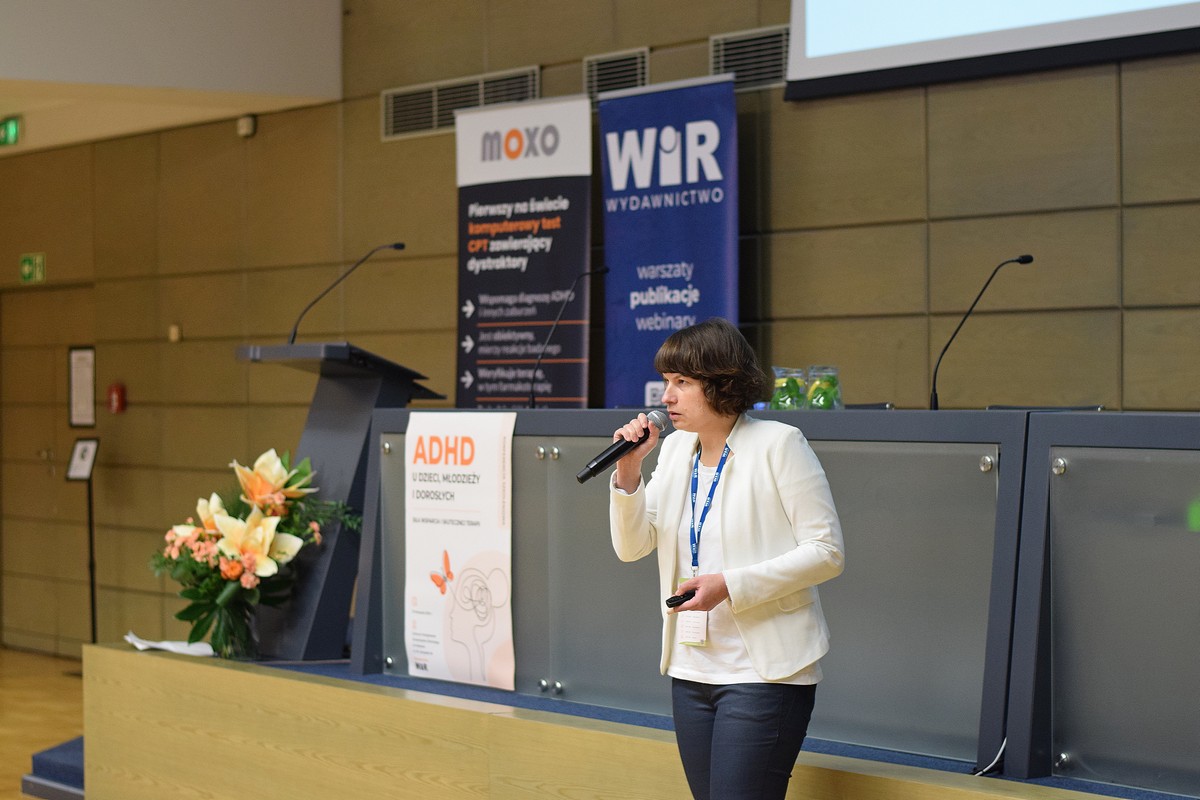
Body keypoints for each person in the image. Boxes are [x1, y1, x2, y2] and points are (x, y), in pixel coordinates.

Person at [607, 317, 845, 800]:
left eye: (682, 382)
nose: (666, 397)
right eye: (666, 381)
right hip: (691, 670)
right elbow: (632, 547)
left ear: (722, 383)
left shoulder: (779, 444)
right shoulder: (675, 451)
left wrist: (730, 585)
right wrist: (629, 469)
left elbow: (827, 552)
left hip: (764, 672)